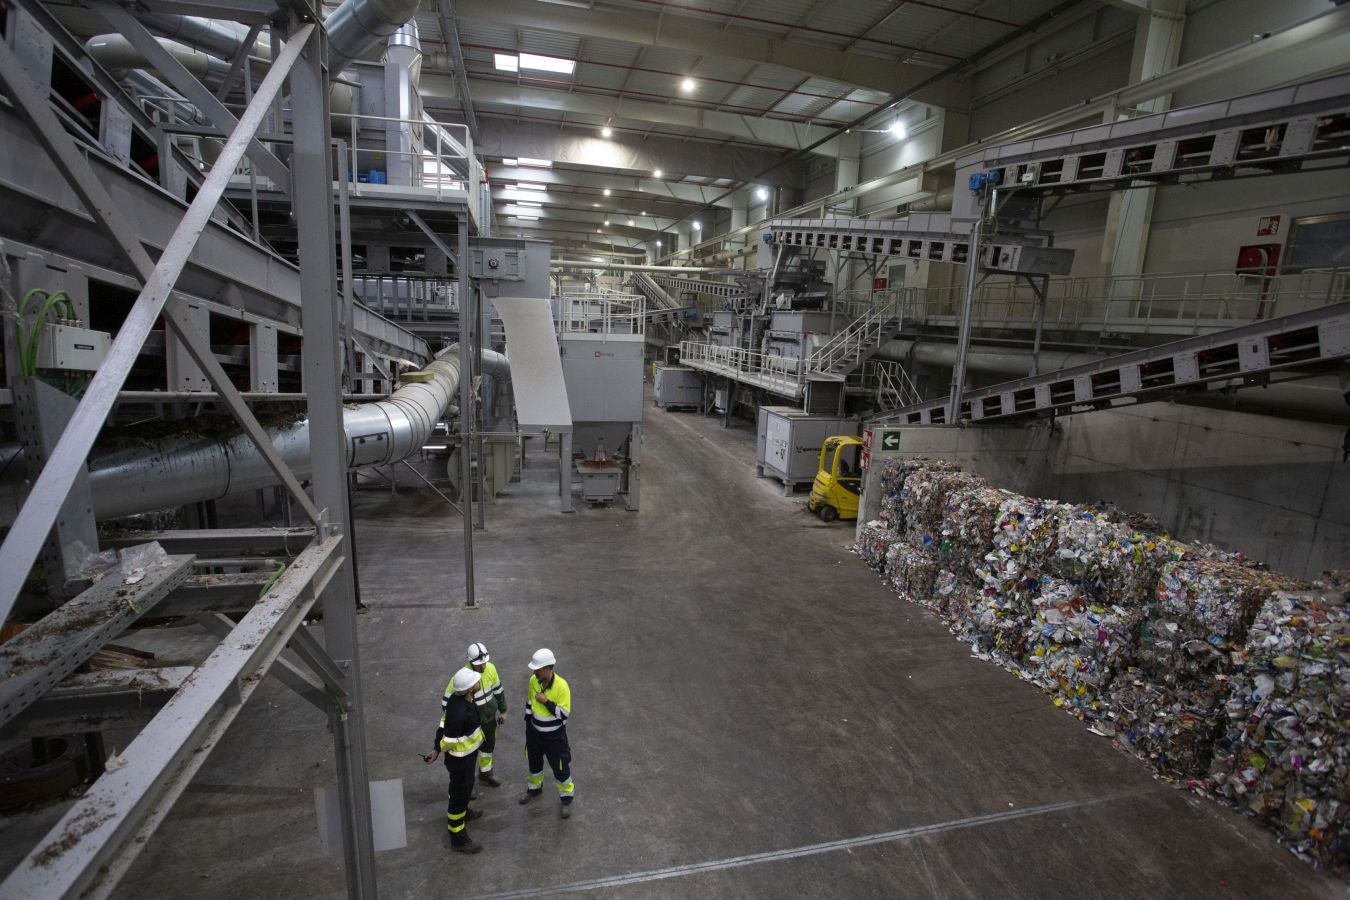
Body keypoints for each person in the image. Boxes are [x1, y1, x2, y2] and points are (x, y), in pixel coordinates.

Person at [424, 666, 485, 853]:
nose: (478, 681)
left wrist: (436, 748)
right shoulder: (460, 712)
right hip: (460, 760)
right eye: (475, 681)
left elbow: (443, 722)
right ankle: (458, 837)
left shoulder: (461, 700)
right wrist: (437, 748)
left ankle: (464, 813)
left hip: (466, 758)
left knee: (464, 788)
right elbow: (448, 739)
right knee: (458, 795)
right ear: (468, 688)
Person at [519, 648, 575, 818]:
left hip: (554, 738)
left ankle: (566, 799)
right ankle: (534, 789)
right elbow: (529, 703)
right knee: (534, 763)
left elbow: (564, 715)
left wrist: (546, 702)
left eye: (538, 669)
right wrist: (529, 725)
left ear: (549, 668)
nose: (534, 671)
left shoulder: (562, 686)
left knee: (560, 768)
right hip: (535, 734)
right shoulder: (533, 681)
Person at [467, 642, 507, 787]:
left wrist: (503, 710)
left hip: (489, 719)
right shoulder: (463, 677)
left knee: (488, 746)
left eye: (484, 663)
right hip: (473, 722)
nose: (483, 667)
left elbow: (498, 690)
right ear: (470, 662)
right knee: (469, 753)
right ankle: (468, 783)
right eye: (479, 664)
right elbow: (448, 703)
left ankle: (485, 772)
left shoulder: (490, 668)